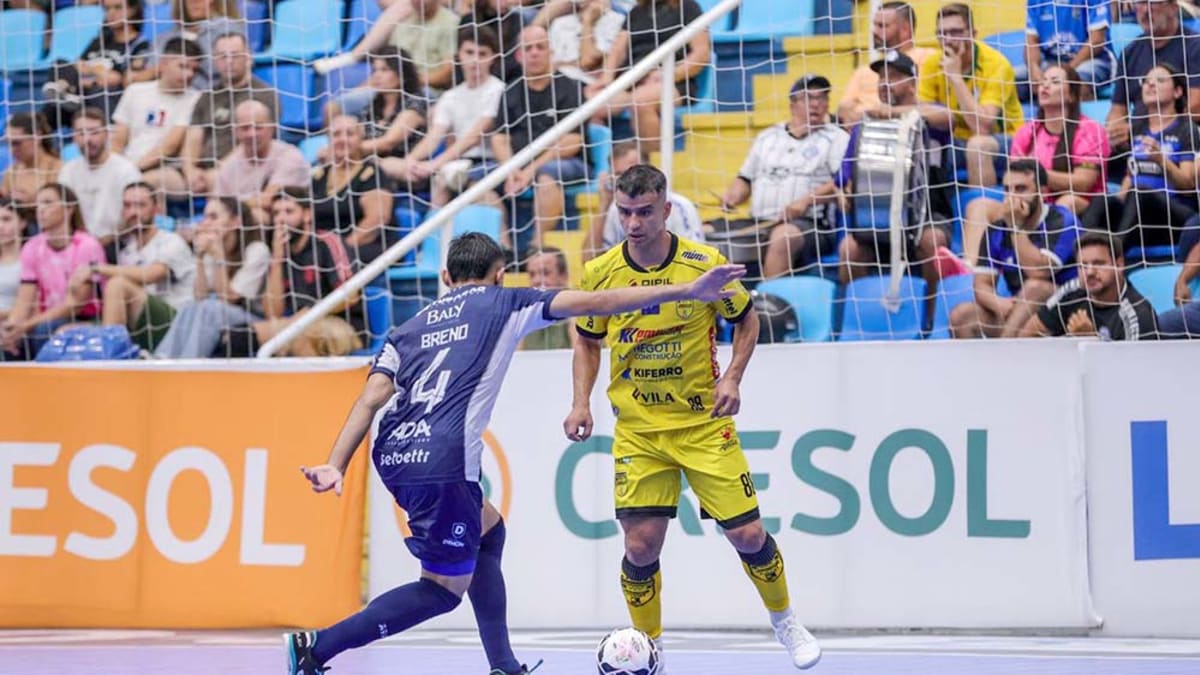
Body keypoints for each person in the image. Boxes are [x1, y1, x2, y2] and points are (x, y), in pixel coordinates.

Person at [284, 230, 748, 675]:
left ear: (445, 278)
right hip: (443, 461)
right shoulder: (505, 302)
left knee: (489, 530)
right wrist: (689, 288)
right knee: (442, 590)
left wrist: (335, 463)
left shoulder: (407, 329)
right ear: (501, 274)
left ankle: (504, 665)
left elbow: (371, 398)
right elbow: (600, 303)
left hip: (394, 453)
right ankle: (317, 647)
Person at [563, 165, 821, 670]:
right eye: (625, 213)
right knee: (640, 547)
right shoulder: (600, 273)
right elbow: (588, 342)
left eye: (643, 213)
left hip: (704, 425)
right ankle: (649, 648)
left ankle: (785, 620)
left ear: (666, 210)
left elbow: (747, 320)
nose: (633, 224)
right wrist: (580, 401)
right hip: (639, 432)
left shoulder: (704, 266)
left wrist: (733, 378)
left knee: (747, 535)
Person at [961, 64, 1109, 264]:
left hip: (1083, 204)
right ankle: (969, 267)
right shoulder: (1027, 132)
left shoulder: (1090, 130)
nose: (1045, 86)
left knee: (1066, 202)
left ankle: (1045, 258)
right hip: (1032, 203)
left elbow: (1083, 183)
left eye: (1055, 82)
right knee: (978, 206)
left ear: (1072, 95)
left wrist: (1038, 174)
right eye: (1043, 82)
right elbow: (1015, 178)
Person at [836, 50, 952, 291]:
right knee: (849, 249)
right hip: (876, 217)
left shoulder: (928, 116)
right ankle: (860, 318)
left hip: (927, 215)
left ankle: (931, 318)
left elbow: (947, 117)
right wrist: (843, 191)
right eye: (882, 78)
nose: (886, 83)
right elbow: (844, 175)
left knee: (934, 243)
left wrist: (896, 113)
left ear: (912, 83)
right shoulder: (865, 125)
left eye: (894, 77)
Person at [717, 74, 850, 279]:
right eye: (808, 98)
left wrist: (806, 201)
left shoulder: (836, 137)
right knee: (705, 232)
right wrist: (733, 195)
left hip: (810, 224)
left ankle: (768, 306)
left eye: (822, 98)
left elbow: (842, 183)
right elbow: (744, 179)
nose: (816, 104)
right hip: (759, 221)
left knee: (782, 237)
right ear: (793, 104)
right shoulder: (767, 137)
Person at [950, 159, 1082, 338]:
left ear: (1042, 192)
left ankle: (1004, 356)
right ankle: (979, 364)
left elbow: (1039, 272)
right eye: (1007, 190)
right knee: (963, 315)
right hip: (1019, 311)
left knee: (1036, 287)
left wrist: (1015, 227)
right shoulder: (997, 229)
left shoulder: (1063, 220)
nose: (1011, 197)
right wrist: (999, 303)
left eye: (1020, 189)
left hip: (1064, 313)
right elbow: (982, 284)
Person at [1082, 63, 1200, 255]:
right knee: (1102, 202)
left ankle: (1112, 257)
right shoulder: (1137, 128)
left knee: (1140, 192)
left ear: (1178, 91)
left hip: (1175, 216)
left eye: (1160, 80)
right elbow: (1131, 174)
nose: (1150, 85)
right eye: (1146, 81)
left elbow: (1188, 185)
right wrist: (1118, 201)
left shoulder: (1187, 130)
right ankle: (1081, 258)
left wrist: (1162, 160)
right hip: (1136, 215)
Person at [381, 27, 504, 207]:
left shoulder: (498, 90)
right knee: (386, 164)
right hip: (455, 163)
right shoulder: (450, 96)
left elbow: (472, 138)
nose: (475, 60)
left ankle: (432, 231)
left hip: (488, 163)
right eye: (469, 52)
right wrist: (411, 161)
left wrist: (435, 164)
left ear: (493, 58)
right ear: (458, 55)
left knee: (444, 177)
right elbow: (434, 136)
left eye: (482, 54)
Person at [492, 25, 589, 253]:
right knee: (476, 183)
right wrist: (511, 169)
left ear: (550, 52)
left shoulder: (570, 87)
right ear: (519, 55)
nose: (534, 52)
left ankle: (535, 246)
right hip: (518, 167)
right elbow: (499, 138)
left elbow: (573, 140)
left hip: (564, 164)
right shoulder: (510, 91)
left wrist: (530, 170)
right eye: (528, 48)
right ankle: (504, 249)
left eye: (540, 47)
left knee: (546, 177)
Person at [244, 187, 361, 357]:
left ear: (307, 214)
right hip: (297, 323)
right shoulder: (280, 252)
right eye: (276, 213)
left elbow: (351, 296)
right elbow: (272, 313)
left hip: (343, 324)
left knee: (299, 335)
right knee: (246, 335)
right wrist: (277, 259)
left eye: (289, 211)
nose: (281, 219)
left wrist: (311, 313)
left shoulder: (327, 242)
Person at [918, 3, 1024, 188]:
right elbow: (921, 110)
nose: (948, 40)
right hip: (956, 141)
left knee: (977, 146)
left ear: (973, 34)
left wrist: (955, 77)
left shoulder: (997, 65)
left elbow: (982, 127)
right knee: (918, 145)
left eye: (956, 32)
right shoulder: (932, 63)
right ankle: (936, 210)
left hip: (1005, 141)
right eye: (942, 34)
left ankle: (983, 210)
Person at [154, 197, 270, 358]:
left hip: (254, 319)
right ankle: (162, 359)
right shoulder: (213, 249)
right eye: (205, 217)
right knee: (190, 308)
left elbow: (230, 299)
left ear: (235, 222)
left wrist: (219, 257)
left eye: (213, 217)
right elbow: (199, 296)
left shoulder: (257, 250)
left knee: (210, 309)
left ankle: (189, 367)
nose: (206, 223)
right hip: (222, 312)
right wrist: (200, 258)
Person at [0, 184, 104, 360]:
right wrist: (11, 327)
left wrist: (26, 325)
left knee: (43, 329)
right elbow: (23, 301)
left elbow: (76, 304)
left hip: (87, 319)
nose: (41, 210)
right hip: (45, 319)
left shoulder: (87, 245)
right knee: (10, 336)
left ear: (69, 209)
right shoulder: (32, 247)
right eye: (39, 204)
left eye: (48, 203)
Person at [589, 0, 710, 150]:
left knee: (641, 100)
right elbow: (617, 50)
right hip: (632, 81)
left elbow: (701, 53)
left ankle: (654, 165)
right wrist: (606, 78)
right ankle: (601, 166)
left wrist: (671, 74)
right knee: (589, 103)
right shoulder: (636, 12)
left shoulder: (687, 6)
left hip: (672, 82)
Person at [1105, 0, 1200, 184]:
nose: (1145, 10)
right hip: (1138, 139)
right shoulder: (1130, 52)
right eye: (1139, 4)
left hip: (1184, 136)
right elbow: (1118, 108)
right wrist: (1116, 130)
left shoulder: (1194, 45)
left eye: (1153, 3)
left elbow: (1196, 106)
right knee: (1095, 157)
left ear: (1173, 7)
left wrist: (1143, 129)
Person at [93, 182, 196, 352]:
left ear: (156, 209)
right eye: (127, 206)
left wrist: (98, 268)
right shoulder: (127, 250)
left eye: (140, 205)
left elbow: (150, 275)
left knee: (117, 284)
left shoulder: (171, 241)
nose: (133, 212)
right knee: (67, 330)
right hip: (141, 323)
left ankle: (108, 357)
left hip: (176, 325)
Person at [177, 31, 278, 197]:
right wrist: (190, 171)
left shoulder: (264, 95)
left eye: (235, 55)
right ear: (215, 60)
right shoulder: (207, 96)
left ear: (248, 57)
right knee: (153, 181)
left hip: (245, 169)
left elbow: (252, 144)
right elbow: (193, 138)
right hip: (200, 173)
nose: (229, 62)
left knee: (218, 181)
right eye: (223, 56)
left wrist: (218, 171)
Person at [1021, 232, 1158, 339]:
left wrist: (1091, 342)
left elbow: (1136, 372)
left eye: (1098, 263)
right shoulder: (1072, 290)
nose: (1090, 272)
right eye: (1083, 265)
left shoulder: (1137, 315)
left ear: (1119, 264)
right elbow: (1029, 334)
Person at [40, 0, 153, 128]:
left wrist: (91, 73)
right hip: (81, 92)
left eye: (117, 8)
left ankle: (67, 92)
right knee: (59, 64)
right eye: (107, 9)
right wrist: (97, 74)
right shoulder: (100, 40)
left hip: (105, 98)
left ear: (133, 10)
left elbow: (117, 79)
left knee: (95, 91)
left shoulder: (140, 44)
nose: (111, 13)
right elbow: (77, 65)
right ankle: (64, 92)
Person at [584, 140, 703, 261]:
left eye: (645, 212)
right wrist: (603, 204)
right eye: (619, 174)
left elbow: (697, 257)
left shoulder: (681, 206)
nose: (633, 224)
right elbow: (589, 260)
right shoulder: (615, 210)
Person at [311, 116, 397, 267]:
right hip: (325, 249)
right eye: (336, 134)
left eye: (349, 134)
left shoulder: (371, 174)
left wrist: (339, 251)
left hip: (362, 248)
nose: (342, 139)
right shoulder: (319, 176)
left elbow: (376, 221)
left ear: (361, 139)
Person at [58, 107, 145, 257]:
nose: (87, 140)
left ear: (107, 134)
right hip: (77, 246)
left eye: (94, 132)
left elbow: (136, 216)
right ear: (73, 137)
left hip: (119, 245)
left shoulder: (125, 170)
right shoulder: (68, 171)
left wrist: (104, 241)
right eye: (81, 133)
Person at [112, 37, 203, 174]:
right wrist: (114, 169)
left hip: (164, 170)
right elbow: (118, 140)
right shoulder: (135, 91)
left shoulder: (196, 99)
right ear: (163, 64)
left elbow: (170, 147)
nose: (190, 74)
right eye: (183, 66)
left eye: (194, 70)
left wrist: (133, 171)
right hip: (127, 166)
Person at [837, 1, 937, 126]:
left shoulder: (929, 58)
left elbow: (934, 106)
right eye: (874, 25)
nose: (874, 31)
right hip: (866, 130)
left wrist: (885, 113)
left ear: (905, 30)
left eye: (882, 26)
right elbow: (844, 108)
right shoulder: (864, 71)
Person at [213, 100, 310, 209]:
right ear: (235, 132)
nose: (252, 134)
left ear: (271, 128)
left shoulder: (290, 156)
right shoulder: (229, 165)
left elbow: (267, 201)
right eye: (245, 128)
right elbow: (216, 205)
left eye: (258, 127)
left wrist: (230, 207)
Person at [1020, 0, 1111, 102]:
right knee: (1006, 80)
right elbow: (1031, 40)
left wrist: (1065, 72)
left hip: (1090, 60)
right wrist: (1034, 69)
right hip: (1050, 63)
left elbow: (1097, 40)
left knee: (1076, 87)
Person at [151, 0, 245, 90]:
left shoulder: (227, 27)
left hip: (210, 95)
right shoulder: (166, 37)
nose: (193, 2)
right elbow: (151, 68)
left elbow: (226, 66)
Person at [0, 113, 62, 219]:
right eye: (8, 143)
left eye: (17, 143)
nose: (11, 149)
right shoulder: (10, 172)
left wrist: (31, 201)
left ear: (37, 137)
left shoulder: (58, 168)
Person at [519, 246, 577, 350]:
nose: (536, 280)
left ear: (564, 276)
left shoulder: (579, 311)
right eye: (532, 275)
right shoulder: (524, 316)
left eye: (545, 273)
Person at [0, 199, 25, 329]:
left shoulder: (29, 260)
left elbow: (34, 307)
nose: (0, 226)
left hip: (16, 327)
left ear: (22, 223)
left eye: (6, 219)